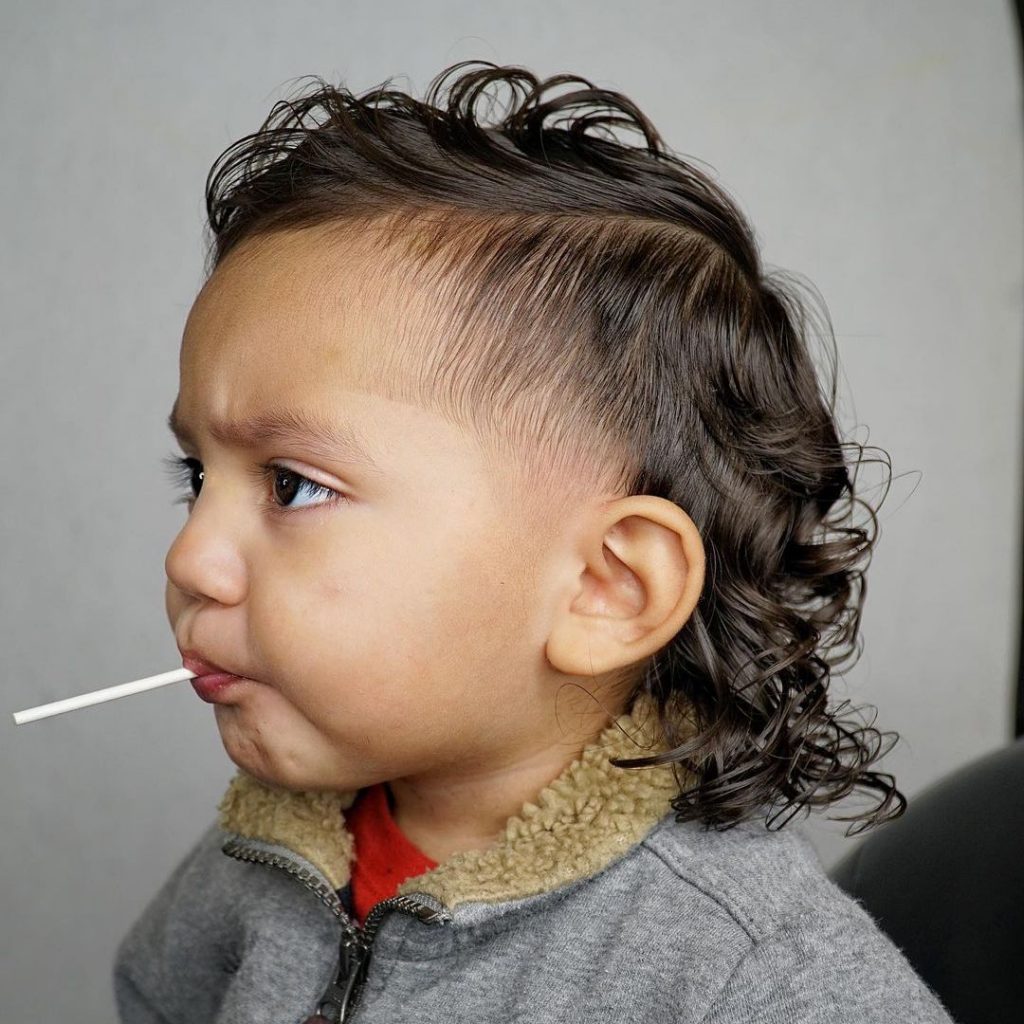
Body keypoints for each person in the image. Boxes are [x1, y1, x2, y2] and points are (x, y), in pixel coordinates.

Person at [112, 60, 957, 1023]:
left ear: (606, 587)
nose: (188, 560)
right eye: (196, 478)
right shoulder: (259, 856)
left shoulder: (747, 974)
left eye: (295, 485)